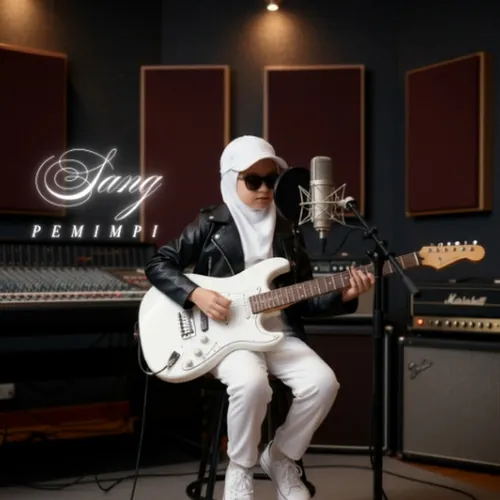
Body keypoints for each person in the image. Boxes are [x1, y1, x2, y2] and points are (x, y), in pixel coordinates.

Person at [145, 136, 374, 500]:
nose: (265, 189)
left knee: (323, 383)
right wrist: (195, 294)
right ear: (230, 179)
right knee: (252, 384)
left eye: (271, 180)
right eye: (253, 180)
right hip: (225, 337)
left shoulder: (287, 230)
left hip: (278, 334)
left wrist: (343, 295)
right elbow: (159, 264)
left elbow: (303, 298)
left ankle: (281, 456)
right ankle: (240, 468)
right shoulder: (210, 223)